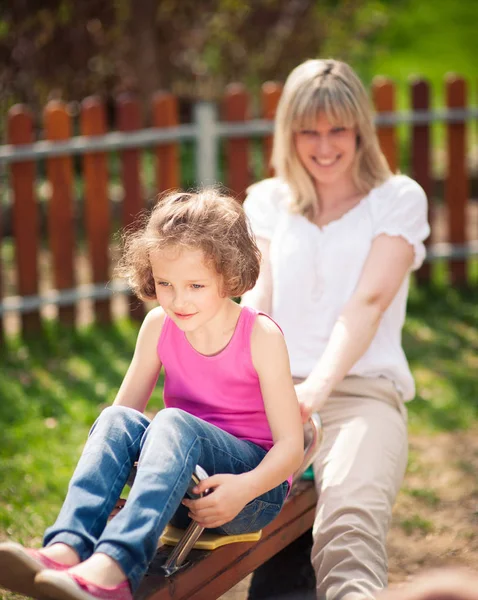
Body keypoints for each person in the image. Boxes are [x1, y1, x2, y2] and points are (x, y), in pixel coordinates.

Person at [0, 189, 304, 600]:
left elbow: (291, 448)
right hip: (178, 486)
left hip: (247, 492)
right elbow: (122, 424)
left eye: (196, 285)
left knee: (174, 421)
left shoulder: (260, 336)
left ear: (230, 275)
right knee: (114, 418)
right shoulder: (159, 325)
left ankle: (116, 569)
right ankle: (67, 547)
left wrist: (244, 489)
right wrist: (116, 488)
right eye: (165, 283)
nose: (179, 300)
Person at [241, 58, 430, 600]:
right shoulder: (268, 201)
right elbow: (257, 299)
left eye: (338, 129)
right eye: (308, 131)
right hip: (272, 394)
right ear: (289, 133)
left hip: (361, 396)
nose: (324, 146)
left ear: (360, 130)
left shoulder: (397, 198)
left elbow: (367, 304)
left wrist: (315, 392)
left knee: (347, 526)